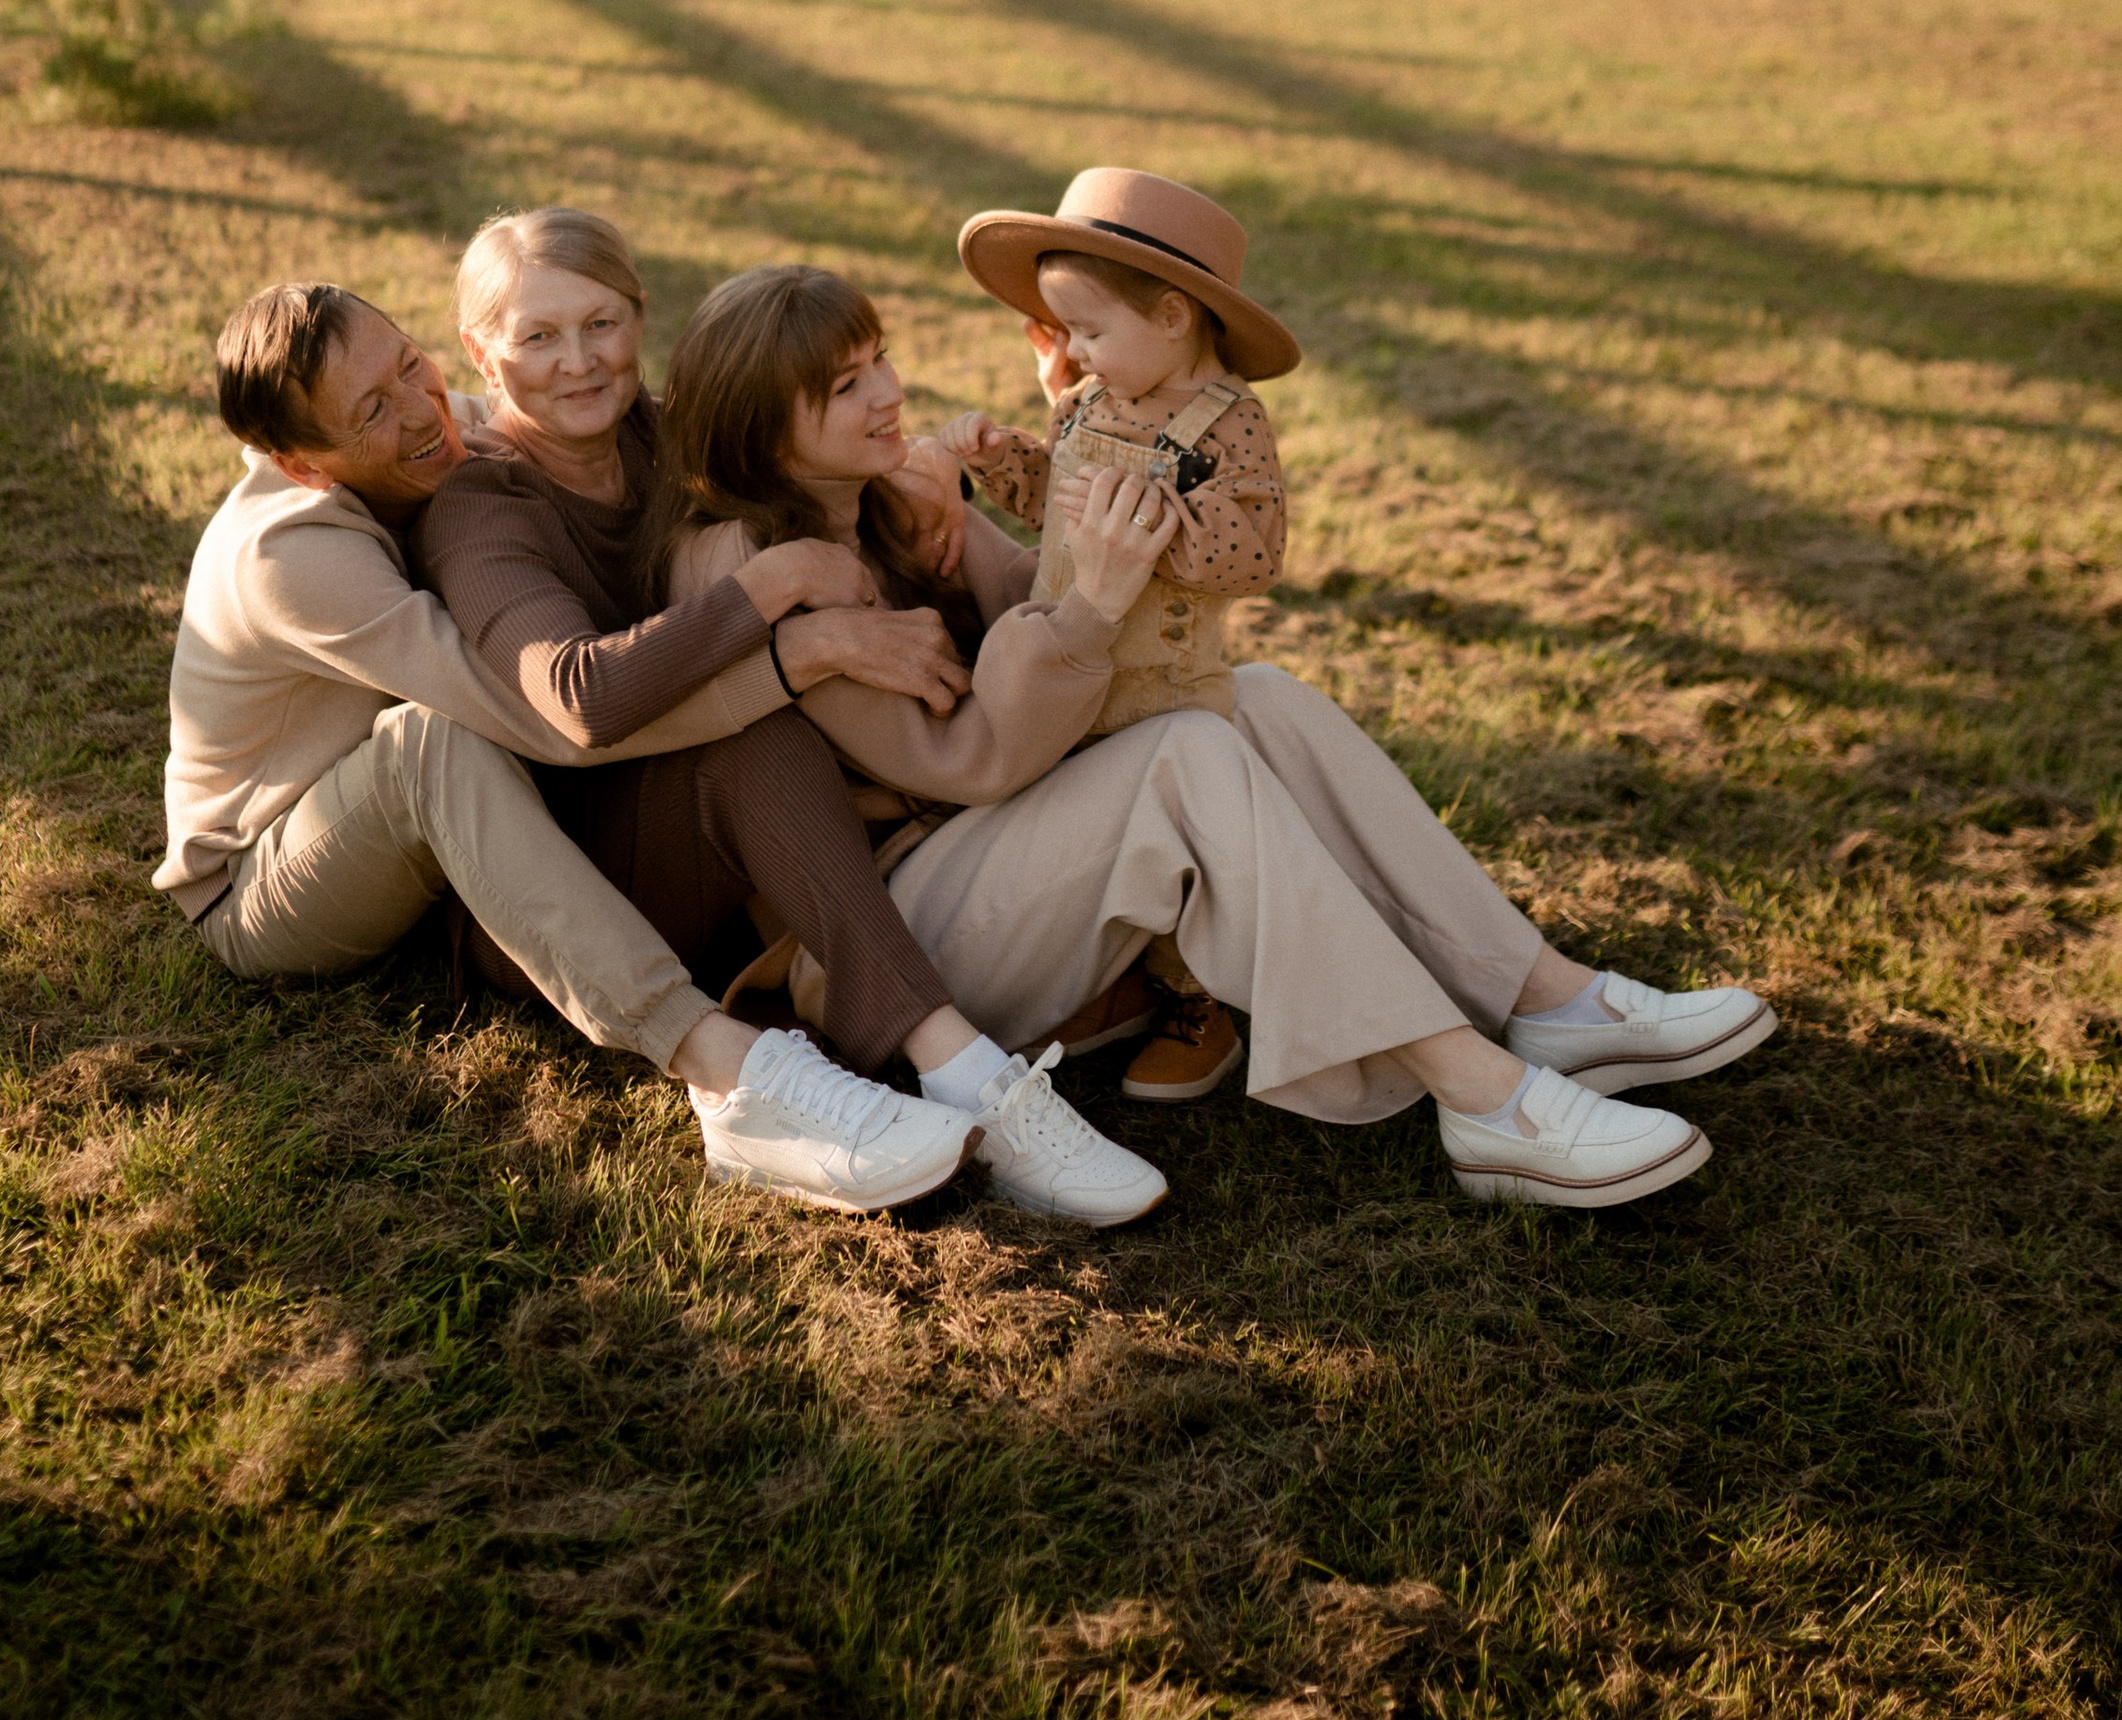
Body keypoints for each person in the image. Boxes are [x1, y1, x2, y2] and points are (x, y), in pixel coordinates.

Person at [652, 263, 1780, 1215]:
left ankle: (1549, 1000)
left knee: (1262, 697)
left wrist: (1030, 499)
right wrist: (1089, 605)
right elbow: (977, 759)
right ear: (763, 429)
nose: (892, 391)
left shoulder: (881, 498)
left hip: (1008, 862)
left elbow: (1028, 607)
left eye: (880, 359)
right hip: (911, 939)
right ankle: (1480, 1097)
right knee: (1185, 753)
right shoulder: (757, 570)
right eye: (848, 386)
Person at [161, 278, 992, 1215]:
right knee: (428, 744)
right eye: (372, 411)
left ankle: (935, 1041)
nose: (421, 410)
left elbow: (746, 444)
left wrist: (912, 471)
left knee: (549, 747)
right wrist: (792, 654)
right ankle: (728, 1071)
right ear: (304, 463)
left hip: (458, 851)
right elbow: (555, 721)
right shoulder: (291, 556)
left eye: (408, 364)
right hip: (268, 877)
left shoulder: (458, 428)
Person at [410, 209, 1172, 1229]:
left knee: (764, 732)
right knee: (754, 730)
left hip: (727, 865)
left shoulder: (661, 434)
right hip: (568, 888)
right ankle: (957, 1067)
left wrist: (926, 464)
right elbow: (581, 698)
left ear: (641, 316)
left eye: (601, 323)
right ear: (479, 350)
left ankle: (946, 1029)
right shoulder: (483, 503)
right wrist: (777, 601)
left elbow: (802, 447)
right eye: (537, 336)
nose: (579, 361)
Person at [936, 165, 1300, 1108]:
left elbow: (1253, 553)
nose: (1078, 355)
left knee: (1179, 856)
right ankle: (1104, 981)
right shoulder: (1089, 406)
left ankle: (1196, 1005)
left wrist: (1156, 523)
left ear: (1175, 317)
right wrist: (1001, 460)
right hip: (1067, 667)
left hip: (1163, 689)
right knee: (1084, 845)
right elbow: (1048, 503)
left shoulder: (1230, 428)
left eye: (1092, 332)